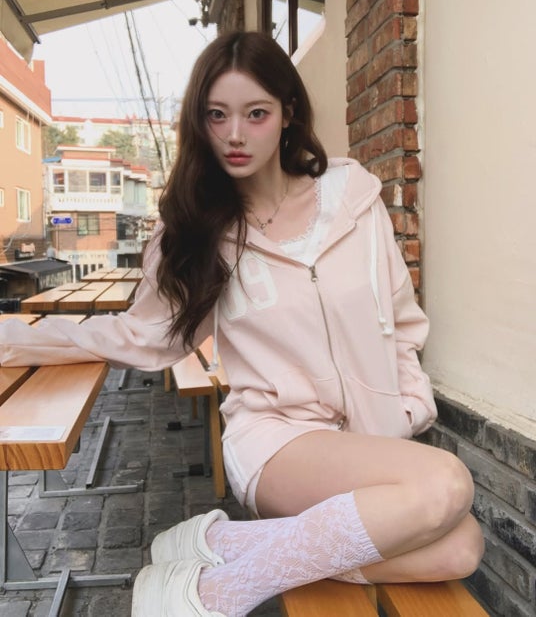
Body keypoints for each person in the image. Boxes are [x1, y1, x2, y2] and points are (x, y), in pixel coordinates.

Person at [0, 31, 484, 617]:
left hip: (369, 438)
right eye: (217, 115)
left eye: (256, 113)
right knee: (446, 484)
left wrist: (410, 404)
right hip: (277, 441)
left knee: (462, 546)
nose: (235, 134)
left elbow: (401, 317)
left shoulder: (353, 200)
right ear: (199, 122)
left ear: (288, 113)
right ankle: (212, 594)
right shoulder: (199, 230)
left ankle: (229, 544)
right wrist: (15, 338)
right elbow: (141, 337)